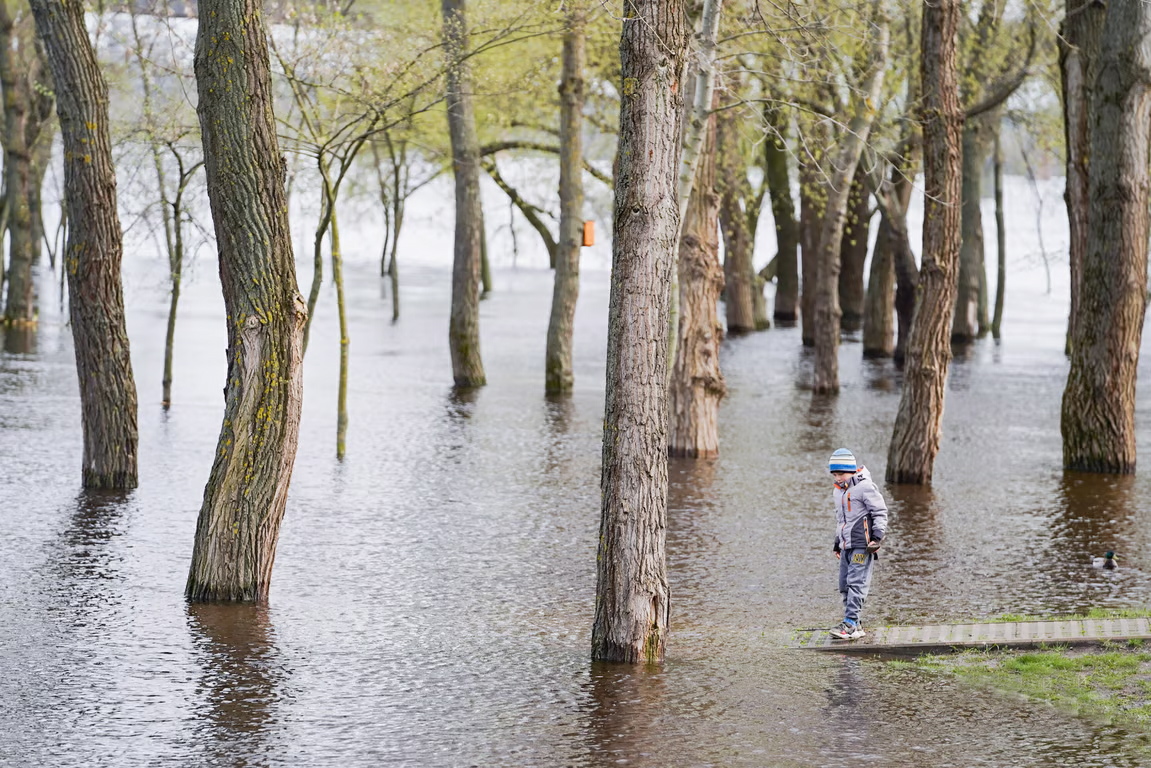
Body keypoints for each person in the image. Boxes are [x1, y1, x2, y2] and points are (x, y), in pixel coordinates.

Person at [827, 448, 888, 640]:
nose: (838, 478)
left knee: (856, 582)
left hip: (863, 544)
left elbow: (880, 512)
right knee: (844, 584)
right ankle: (855, 623)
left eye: (841, 474)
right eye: (835, 474)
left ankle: (850, 623)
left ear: (852, 471)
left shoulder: (865, 487)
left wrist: (877, 537)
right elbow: (841, 520)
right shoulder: (839, 492)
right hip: (847, 545)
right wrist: (838, 542)